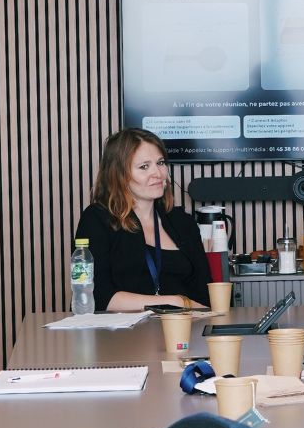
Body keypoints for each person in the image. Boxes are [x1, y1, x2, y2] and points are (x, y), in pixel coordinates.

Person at [73, 127, 212, 311]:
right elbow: (97, 297)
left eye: (160, 163)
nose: (158, 174)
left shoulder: (181, 221)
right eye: (144, 167)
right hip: (119, 337)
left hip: (183, 333)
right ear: (119, 175)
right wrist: (176, 302)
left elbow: (205, 296)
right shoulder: (96, 219)